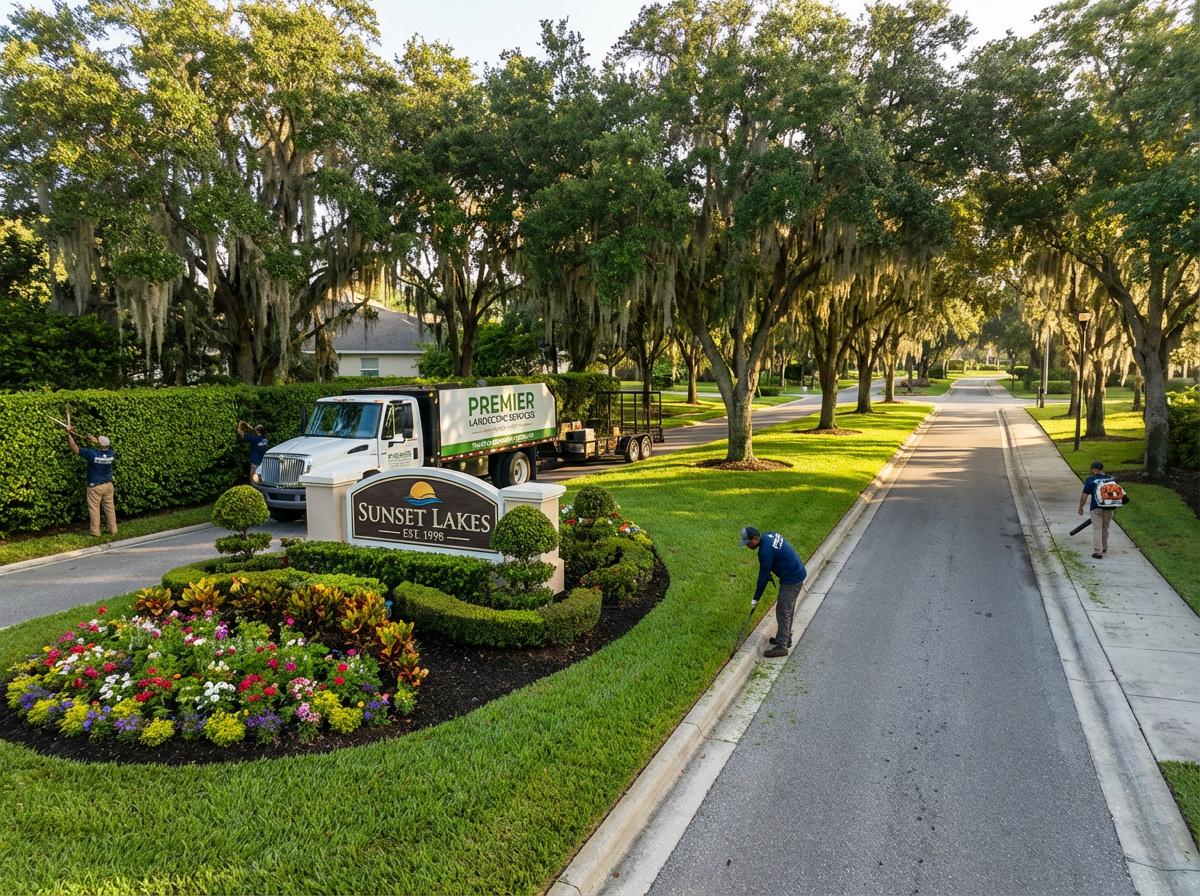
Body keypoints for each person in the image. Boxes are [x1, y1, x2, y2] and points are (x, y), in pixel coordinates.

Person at [740, 526, 807, 658]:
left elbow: (763, 577)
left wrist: (756, 598)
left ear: (756, 538)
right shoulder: (769, 536)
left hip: (792, 578)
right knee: (787, 608)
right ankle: (784, 637)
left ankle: (781, 646)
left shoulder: (764, 552)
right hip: (796, 572)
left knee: (783, 610)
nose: (748, 545)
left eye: (748, 542)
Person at [65, 427, 117, 538]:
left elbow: (75, 449)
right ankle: (113, 529)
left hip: (95, 486)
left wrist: (69, 435)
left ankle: (95, 532)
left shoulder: (92, 454)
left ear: (99, 444)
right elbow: (107, 447)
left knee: (94, 509)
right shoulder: (111, 454)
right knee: (110, 508)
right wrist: (95, 441)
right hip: (108, 485)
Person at [1078, 461, 1116, 560]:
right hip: (1109, 507)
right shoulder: (1110, 480)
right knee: (1105, 527)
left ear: (1093, 470)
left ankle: (1098, 551)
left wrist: (1081, 507)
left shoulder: (1090, 480)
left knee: (1097, 528)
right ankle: (1104, 547)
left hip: (1096, 507)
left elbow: (1084, 495)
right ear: (1102, 470)